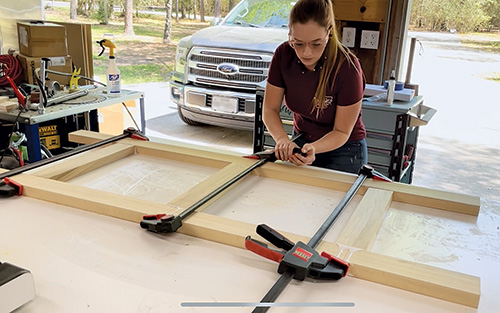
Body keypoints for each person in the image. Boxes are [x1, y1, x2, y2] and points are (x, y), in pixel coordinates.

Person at [263, 0, 367, 174]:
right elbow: (269, 109)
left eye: (316, 44)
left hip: (344, 149)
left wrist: (314, 148)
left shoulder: (348, 68)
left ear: (330, 32)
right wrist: (282, 139)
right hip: (302, 142)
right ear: (290, 33)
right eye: (298, 43)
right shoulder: (283, 55)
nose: (306, 53)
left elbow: (341, 131)